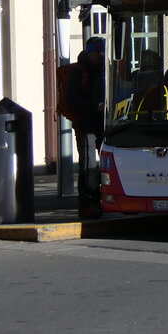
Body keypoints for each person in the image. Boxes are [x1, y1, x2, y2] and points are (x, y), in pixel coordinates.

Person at [66, 37, 106, 219]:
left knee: (105, 163)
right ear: (88, 52)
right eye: (97, 51)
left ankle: (100, 200)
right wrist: (94, 105)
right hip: (86, 126)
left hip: (103, 125)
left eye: (102, 51)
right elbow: (71, 100)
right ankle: (87, 204)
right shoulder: (78, 71)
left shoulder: (103, 70)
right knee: (88, 164)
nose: (101, 54)